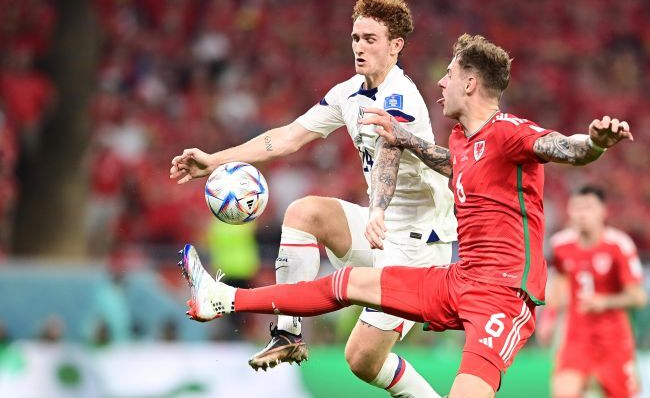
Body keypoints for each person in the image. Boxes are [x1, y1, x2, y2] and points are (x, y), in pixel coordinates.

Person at [178, 33, 634, 398]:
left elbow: (564, 147)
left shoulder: (509, 132)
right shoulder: (461, 139)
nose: (441, 83)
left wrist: (594, 143)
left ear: (469, 84)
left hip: (502, 296)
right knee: (349, 283)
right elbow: (453, 162)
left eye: (450, 74)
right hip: (458, 279)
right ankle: (223, 298)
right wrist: (406, 139)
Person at [170, 0, 456, 398]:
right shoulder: (348, 93)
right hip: (379, 228)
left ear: (396, 46)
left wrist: (377, 209)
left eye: (370, 39)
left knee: (362, 359)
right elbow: (287, 137)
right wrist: (214, 161)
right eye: (355, 38)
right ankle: (287, 333)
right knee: (305, 213)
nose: (359, 47)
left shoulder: (400, 98)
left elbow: (390, 159)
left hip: (417, 246)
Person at [537, 185, 646, 398]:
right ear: (569, 211)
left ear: (603, 211)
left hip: (614, 339)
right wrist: (548, 319)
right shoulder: (561, 245)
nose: (581, 214)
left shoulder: (619, 245)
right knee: (563, 392)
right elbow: (560, 284)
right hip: (577, 338)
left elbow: (639, 297)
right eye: (577, 208)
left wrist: (605, 302)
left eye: (588, 208)